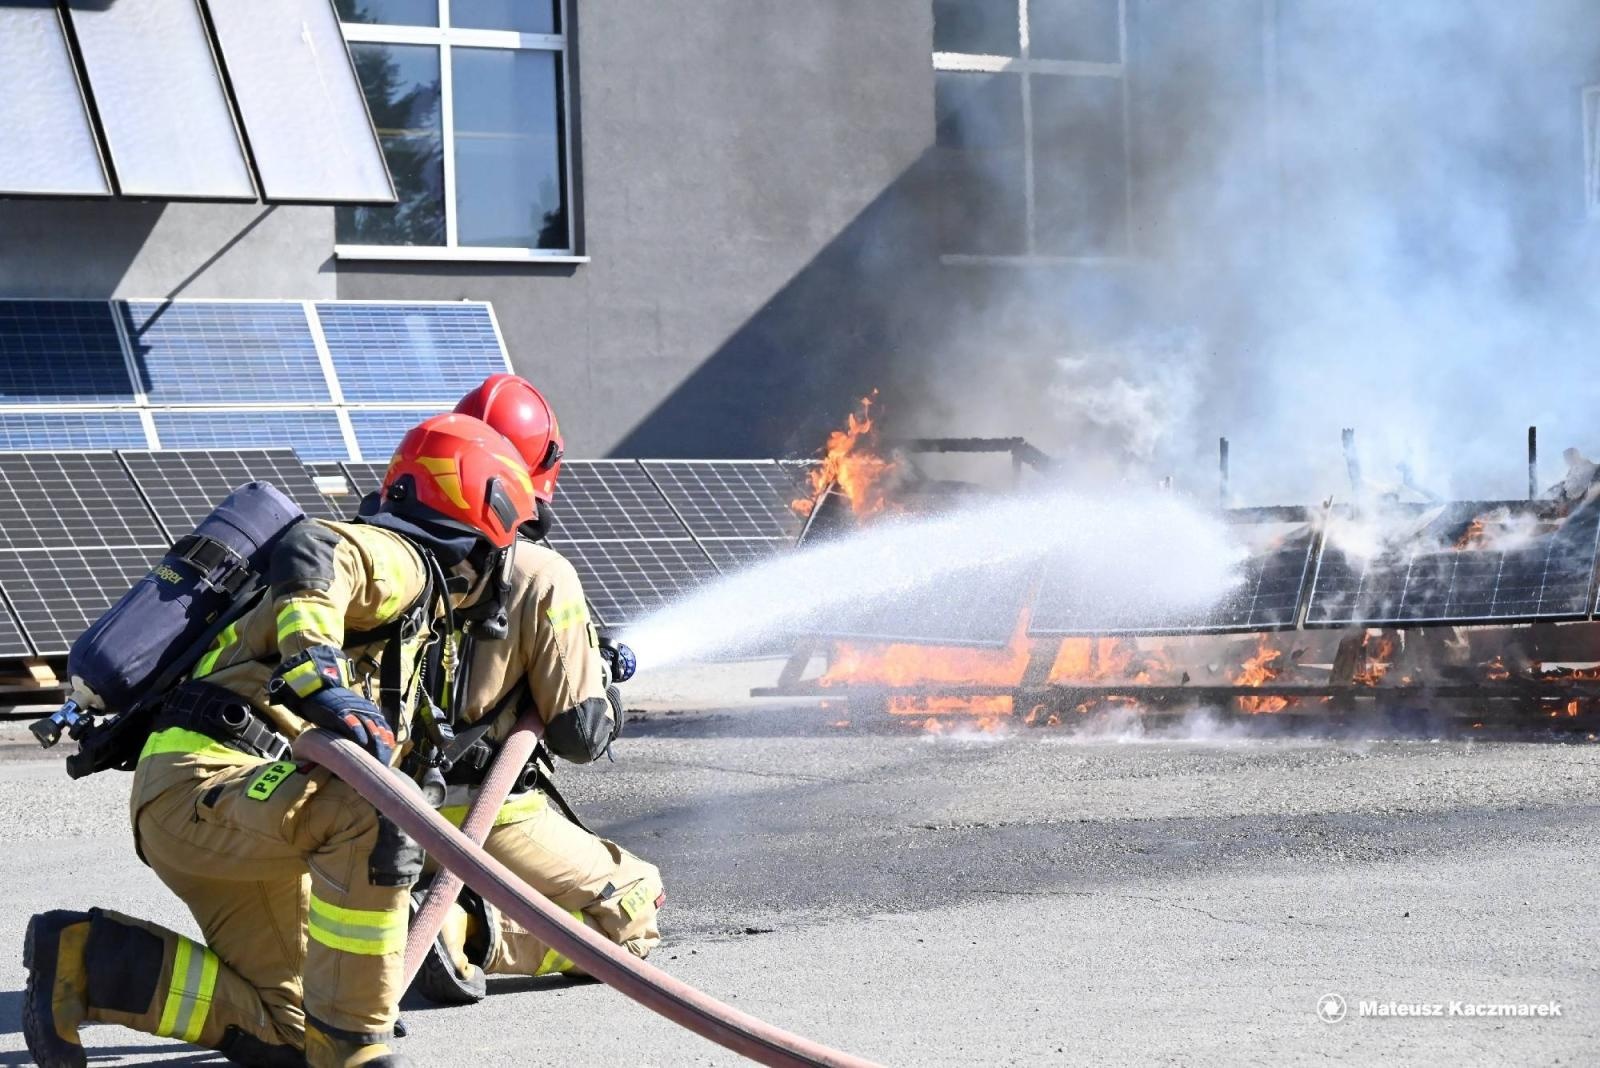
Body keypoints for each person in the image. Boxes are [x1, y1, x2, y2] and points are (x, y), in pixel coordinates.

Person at [23, 414, 538, 1068]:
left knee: (294, 1030)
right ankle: (359, 1052)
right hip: (215, 777)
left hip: (225, 807)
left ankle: (87, 962)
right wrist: (316, 670)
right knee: (378, 813)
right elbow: (313, 550)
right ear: (484, 519)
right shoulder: (403, 556)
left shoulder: (414, 625)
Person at [410, 374, 665, 1003]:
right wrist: (599, 679)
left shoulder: (388, 553)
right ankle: (470, 932)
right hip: (482, 812)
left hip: (378, 803)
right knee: (637, 904)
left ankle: (415, 903)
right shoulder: (540, 573)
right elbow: (578, 735)